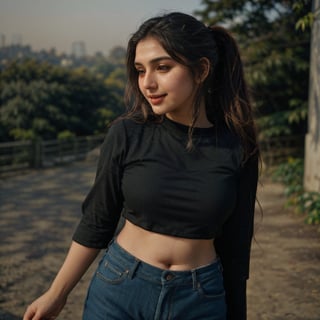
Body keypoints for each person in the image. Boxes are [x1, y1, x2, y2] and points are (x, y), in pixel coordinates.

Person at [23, 11, 259, 320]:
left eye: (162, 67)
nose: (147, 83)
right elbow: (97, 221)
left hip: (201, 298)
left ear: (201, 70)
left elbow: (236, 248)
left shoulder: (238, 147)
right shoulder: (127, 133)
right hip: (120, 289)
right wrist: (57, 293)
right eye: (139, 69)